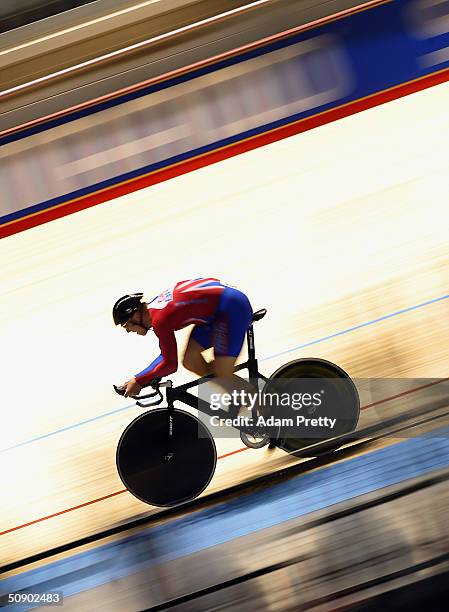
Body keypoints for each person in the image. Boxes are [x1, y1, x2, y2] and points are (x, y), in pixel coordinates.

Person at [113, 278, 254, 398]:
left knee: (222, 371)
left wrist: (140, 380)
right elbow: (166, 357)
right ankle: (240, 393)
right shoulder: (155, 309)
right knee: (191, 361)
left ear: (135, 315)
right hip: (217, 311)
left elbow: (170, 364)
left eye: (126, 326)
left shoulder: (159, 320)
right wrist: (139, 378)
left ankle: (263, 404)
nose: (128, 331)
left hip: (230, 309)